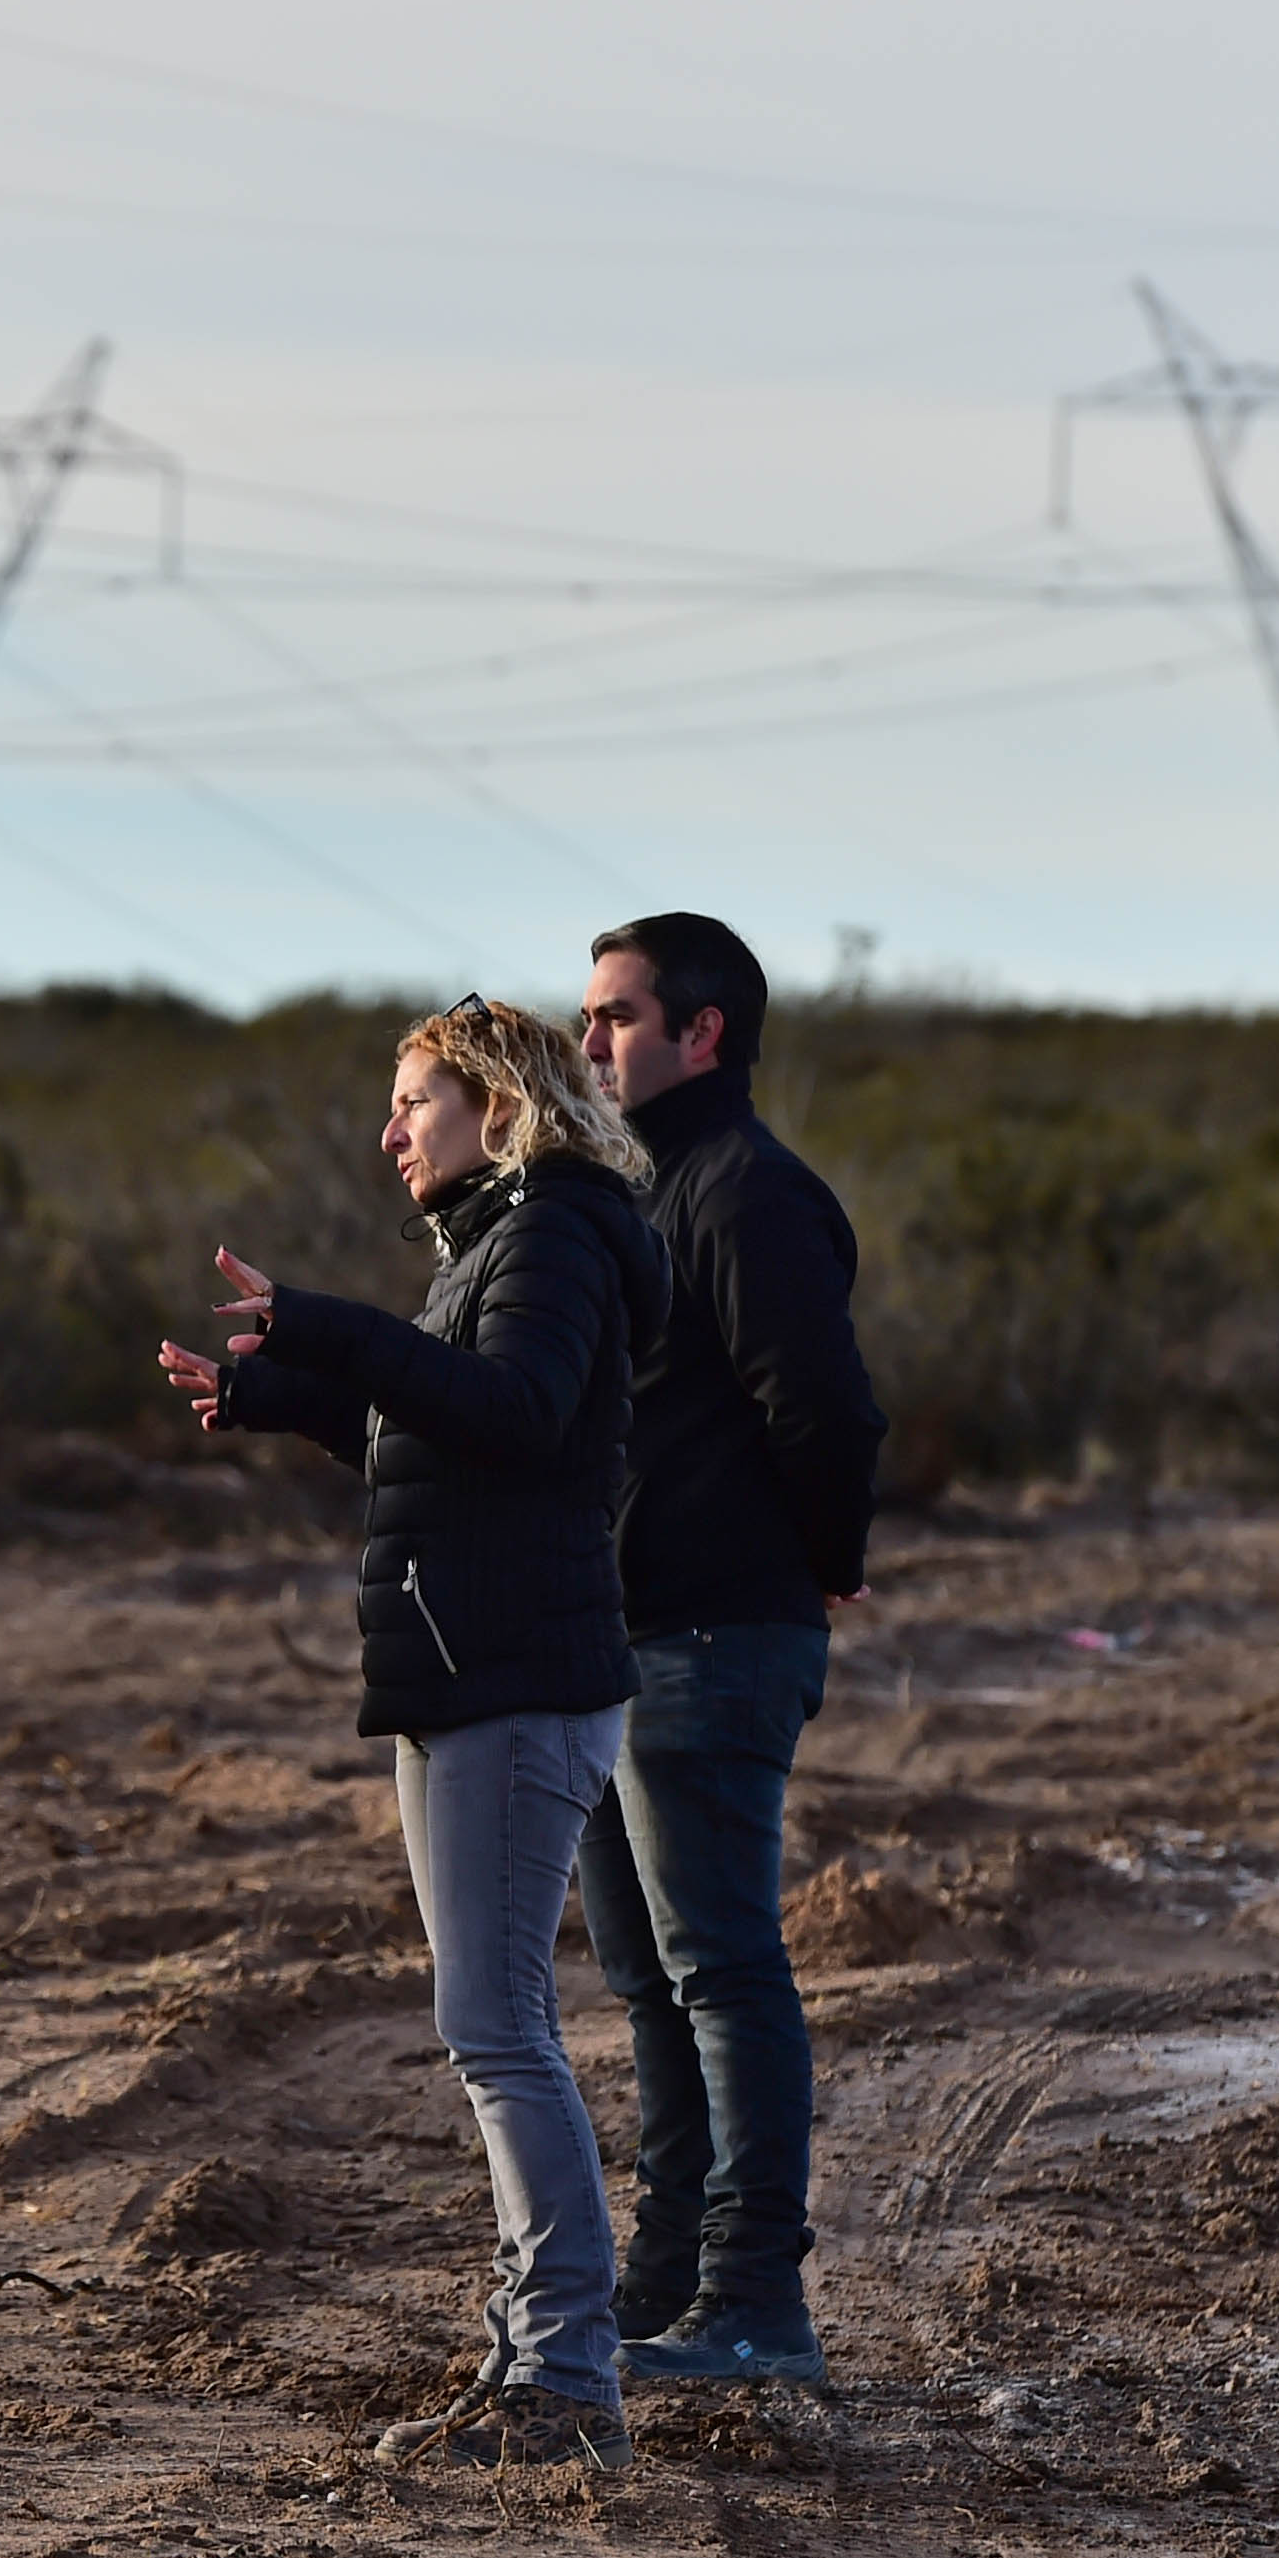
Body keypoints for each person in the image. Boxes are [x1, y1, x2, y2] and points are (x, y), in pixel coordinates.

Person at [163, 999, 669, 2470]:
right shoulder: (503, 1241)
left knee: (498, 2032)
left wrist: (330, 1324)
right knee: (493, 2029)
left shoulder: (557, 1232)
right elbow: (458, 1436)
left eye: (414, 1104)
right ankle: (539, 2364)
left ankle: (565, 2380)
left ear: (499, 1106)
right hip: (474, 1677)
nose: (391, 1135)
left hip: (511, 1683)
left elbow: (513, 1414)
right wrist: (280, 1397)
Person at [572, 913, 884, 2388]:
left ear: (703, 1033)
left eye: (619, 1018)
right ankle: (665, 2282)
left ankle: (757, 2300)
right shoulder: (646, 1188)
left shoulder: (749, 1192)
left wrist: (818, 1571)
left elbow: (824, 1409)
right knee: (651, 1983)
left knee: (721, 1973)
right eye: (589, 1018)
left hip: (714, 1638)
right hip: (626, 1646)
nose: (591, 1045)